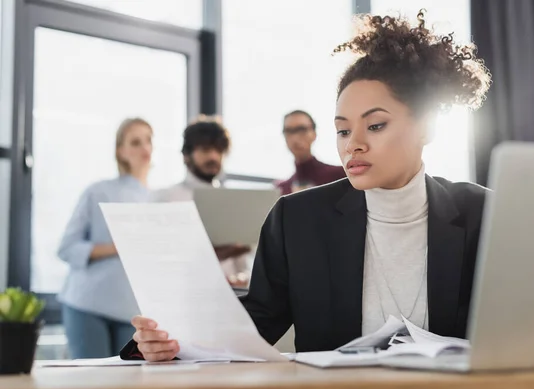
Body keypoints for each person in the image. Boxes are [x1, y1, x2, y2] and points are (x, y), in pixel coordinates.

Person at [126, 13, 492, 361]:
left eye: (375, 125)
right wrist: (166, 340)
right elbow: (253, 323)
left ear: (427, 127)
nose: (353, 145)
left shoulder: (483, 214)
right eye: (343, 130)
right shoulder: (297, 219)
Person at [57, 118, 153, 358]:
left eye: (149, 140)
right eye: (136, 142)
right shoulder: (98, 191)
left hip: (132, 312)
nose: (145, 148)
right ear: (121, 151)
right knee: (92, 387)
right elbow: (66, 248)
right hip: (88, 304)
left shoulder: (157, 199)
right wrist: (118, 247)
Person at [153, 115, 250, 287]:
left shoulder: (233, 200)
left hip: (230, 295)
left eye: (218, 150)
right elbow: (161, 257)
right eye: (205, 150)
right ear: (186, 155)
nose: (213, 156)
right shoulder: (167, 198)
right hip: (184, 291)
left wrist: (243, 277)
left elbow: (242, 262)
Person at [277, 110, 346, 194]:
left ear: (314, 133)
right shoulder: (282, 188)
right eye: (288, 131)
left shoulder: (340, 176)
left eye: (301, 129)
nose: (295, 138)